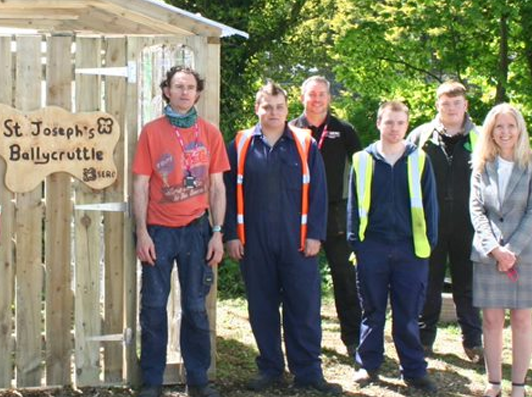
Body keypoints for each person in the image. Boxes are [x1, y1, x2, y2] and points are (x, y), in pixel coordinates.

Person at [223, 81, 341, 395]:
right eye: (267, 107)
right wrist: (231, 234)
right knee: (261, 307)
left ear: (287, 110)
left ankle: (308, 372)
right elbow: (226, 195)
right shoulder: (241, 144)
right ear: (257, 109)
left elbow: (319, 192)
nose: (273, 113)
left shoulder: (305, 143)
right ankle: (271, 369)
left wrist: (316, 234)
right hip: (254, 241)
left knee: (303, 307)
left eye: (278, 107)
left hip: (299, 242)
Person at [132, 66, 229, 397]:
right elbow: (140, 184)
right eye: (178, 86)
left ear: (198, 93)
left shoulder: (210, 133)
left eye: (190, 87)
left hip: (196, 231)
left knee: (196, 307)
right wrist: (142, 232)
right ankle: (152, 381)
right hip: (159, 231)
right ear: (166, 91)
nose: (185, 92)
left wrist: (217, 232)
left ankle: (198, 380)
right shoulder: (151, 131)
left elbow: (217, 187)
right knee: (154, 307)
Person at [347, 101, 439, 392]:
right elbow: (352, 205)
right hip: (371, 246)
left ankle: (413, 369)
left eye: (400, 123)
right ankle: (368, 365)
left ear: (407, 125)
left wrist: (427, 244)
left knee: (408, 313)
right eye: (389, 122)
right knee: (372, 311)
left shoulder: (419, 159)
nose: (394, 128)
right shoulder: (362, 159)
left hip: (410, 249)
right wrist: (357, 244)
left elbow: (430, 205)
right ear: (378, 124)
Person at [469, 103, 532, 397]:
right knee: (491, 320)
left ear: (520, 129)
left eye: (511, 126)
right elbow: (476, 211)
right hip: (488, 256)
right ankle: (494, 382)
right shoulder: (481, 164)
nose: (505, 132)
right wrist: (495, 250)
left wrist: (511, 250)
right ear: (490, 130)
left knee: (523, 319)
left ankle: (519, 385)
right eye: (499, 126)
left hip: (524, 254)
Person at [408, 81, 484, 364]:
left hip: (469, 223)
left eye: (456, 103)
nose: (451, 108)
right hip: (429, 223)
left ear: (466, 105)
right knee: (429, 282)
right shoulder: (420, 136)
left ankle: (473, 342)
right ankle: (424, 340)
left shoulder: (481, 137)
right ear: (437, 105)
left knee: (467, 284)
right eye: (445, 103)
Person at [290, 76, 363, 358]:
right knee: (301, 282)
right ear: (302, 98)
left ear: (329, 98)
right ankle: (304, 342)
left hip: (335, 215)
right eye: (311, 94)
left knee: (345, 278)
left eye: (321, 94)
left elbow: (362, 170)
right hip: (299, 215)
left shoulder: (343, 130)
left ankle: (353, 340)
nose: (316, 99)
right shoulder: (292, 129)